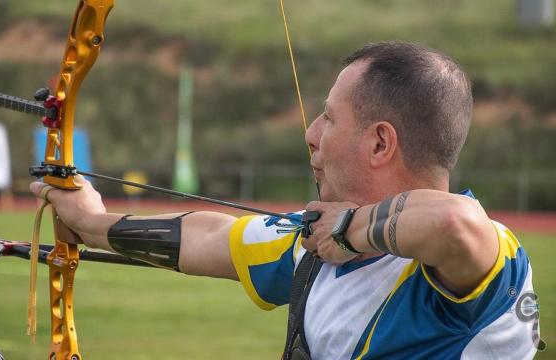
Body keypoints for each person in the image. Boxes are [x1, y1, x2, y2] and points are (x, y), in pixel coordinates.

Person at [30, 41, 540, 359]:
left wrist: (349, 229)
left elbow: (452, 222)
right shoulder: (315, 244)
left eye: (330, 118)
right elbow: (211, 236)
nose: (311, 134)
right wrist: (91, 221)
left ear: (380, 143)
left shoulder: (487, 262)